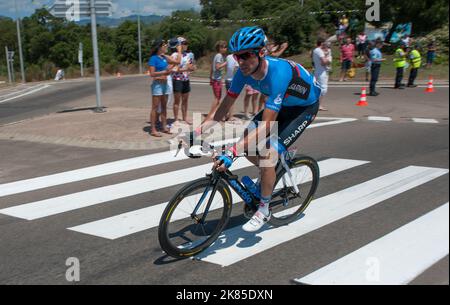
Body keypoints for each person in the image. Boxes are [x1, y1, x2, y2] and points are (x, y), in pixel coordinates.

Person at [189, 26, 321, 232]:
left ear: (261, 53)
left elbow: (268, 125)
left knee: (267, 153)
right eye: (236, 56)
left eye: (245, 56)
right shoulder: (243, 72)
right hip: (283, 104)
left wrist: (232, 152)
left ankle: (264, 209)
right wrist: (197, 133)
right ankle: (269, 174)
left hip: (303, 109)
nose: (240, 62)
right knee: (248, 145)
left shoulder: (278, 73)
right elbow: (224, 107)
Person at [148, 39, 181, 137]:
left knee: (164, 107)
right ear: (159, 47)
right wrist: (165, 72)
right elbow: (152, 73)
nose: (166, 47)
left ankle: (164, 127)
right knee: (155, 107)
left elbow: (178, 62)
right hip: (157, 85)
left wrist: (179, 51)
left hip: (165, 84)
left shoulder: (164, 57)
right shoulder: (153, 58)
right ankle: (153, 129)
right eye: (164, 45)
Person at [170, 37, 196, 125]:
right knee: (177, 101)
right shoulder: (174, 55)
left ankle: (185, 118)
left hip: (186, 79)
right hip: (177, 80)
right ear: (179, 45)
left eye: (187, 43)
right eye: (184, 43)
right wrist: (185, 69)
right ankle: (176, 119)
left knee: (185, 101)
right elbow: (173, 69)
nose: (186, 45)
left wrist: (192, 68)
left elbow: (190, 67)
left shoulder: (189, 55)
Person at [205, 41, 228, 121]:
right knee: (217, 98)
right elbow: (217, 67)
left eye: (226, 47)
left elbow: (212, 66)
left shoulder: (217, 56)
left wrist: (210, 77)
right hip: (217, 80)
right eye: (224, 47)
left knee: (217, 98)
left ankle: (213, 113)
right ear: (220, 48)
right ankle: (211, 114)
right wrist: (226, 63)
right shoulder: (219, 56)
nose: (226, 49)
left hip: (216, 79)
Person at [312, 37, 332, 111]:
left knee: (318, 88)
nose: (326, 44)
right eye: (325, 43)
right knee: (323, 89)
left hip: (319, 71)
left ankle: (317, 104)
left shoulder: (316, 50)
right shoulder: (318, 50)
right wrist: (329, 59)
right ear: (322, 43)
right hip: (321, 72)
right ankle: (318, 105)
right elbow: (323, 61)